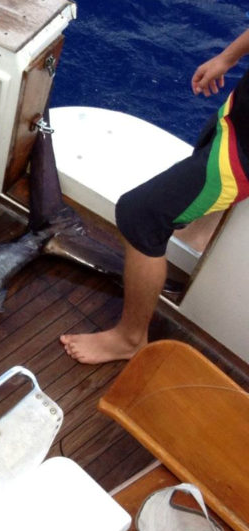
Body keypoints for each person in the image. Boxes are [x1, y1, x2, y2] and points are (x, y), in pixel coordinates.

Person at [61, 29, 249, 364]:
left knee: (141, 215)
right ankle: (194, 240)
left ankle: (130, 338)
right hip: (237, 118)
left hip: (242, 154)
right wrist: (228, 58)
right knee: (202, 160)